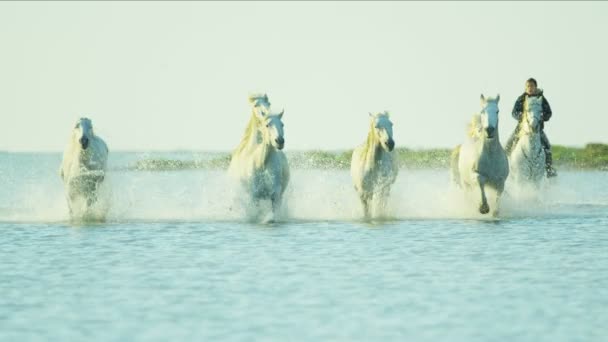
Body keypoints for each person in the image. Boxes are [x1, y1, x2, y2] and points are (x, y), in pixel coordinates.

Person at [504, 78, 557, 177]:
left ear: (535, 87)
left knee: (547, 146)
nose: (530, 88)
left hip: (538, 129)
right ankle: (504, 168)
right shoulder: (521, 99)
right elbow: (513, 113)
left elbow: (549, 113)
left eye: (532, 86)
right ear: (525, 87)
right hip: (521, 128)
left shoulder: (542, 99)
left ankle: (549, 169)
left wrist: (542, 117)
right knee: (508, 144)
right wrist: (522, 117)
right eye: (528, 86)